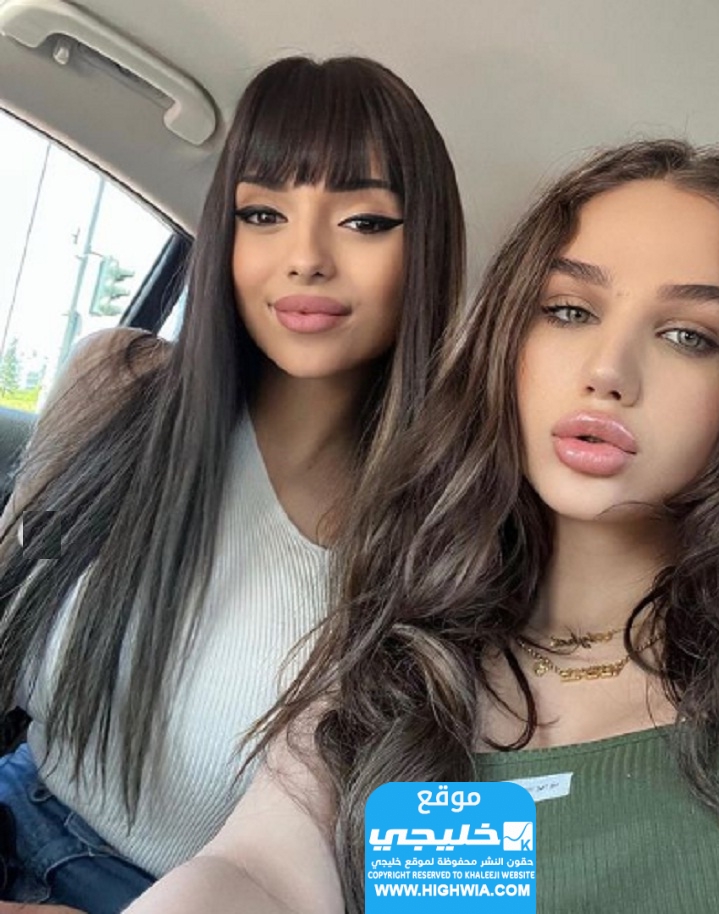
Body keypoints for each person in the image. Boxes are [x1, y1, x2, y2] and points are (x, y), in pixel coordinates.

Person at [124, 139, 719, 914]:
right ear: (507, 342)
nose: (607, 370)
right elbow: (262, 872)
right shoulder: (409, 668)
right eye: (569, 311)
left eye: (689, 335)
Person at [0, 54, 465, 913]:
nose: (306, 258)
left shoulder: (441, 533)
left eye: (364, 221)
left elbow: (429, 879)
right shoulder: (113, 383)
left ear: (426, 249)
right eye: (263, 214)